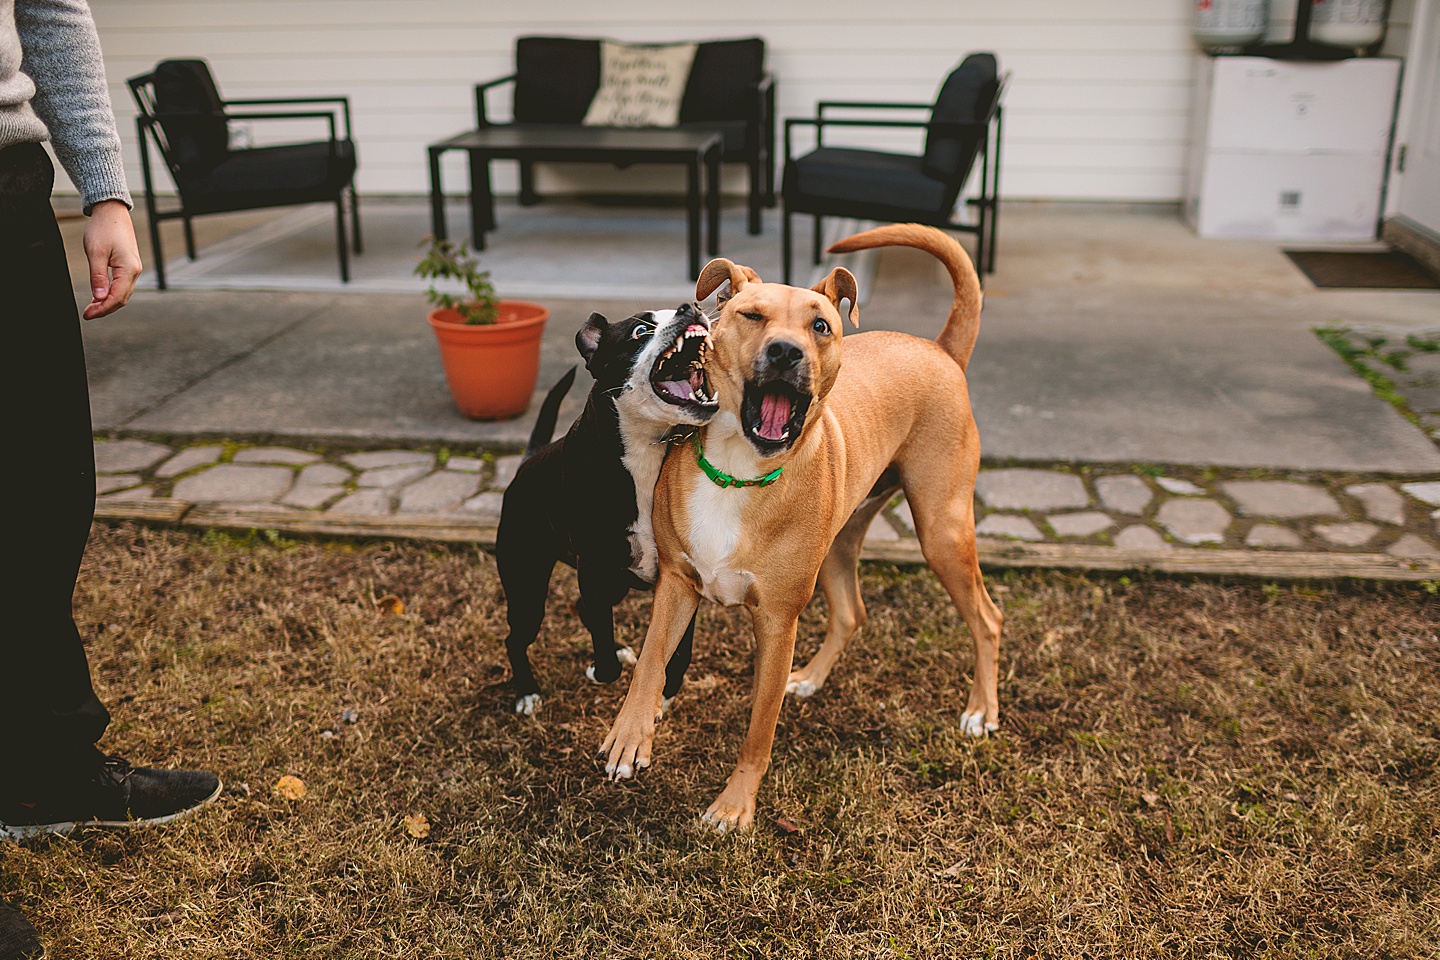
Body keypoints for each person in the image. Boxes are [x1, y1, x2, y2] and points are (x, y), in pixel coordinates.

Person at [1, 2, 221, 956]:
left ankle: (40, 768)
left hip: (8, 187)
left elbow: (48, 9)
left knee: (45, 494)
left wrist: (106, 191)